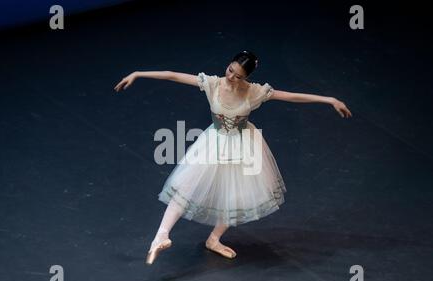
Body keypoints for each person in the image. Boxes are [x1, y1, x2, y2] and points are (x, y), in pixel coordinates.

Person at [114, 50, 352, 265]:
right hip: (213, 143)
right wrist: (138, 73)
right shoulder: (213, 84)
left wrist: (329, 100)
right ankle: (160, 236)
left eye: (238, 76)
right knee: (186, 186)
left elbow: (291, 96)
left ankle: (214, 239)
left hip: (242, 146)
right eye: (230, 70)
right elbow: (172, 75)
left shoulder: (254, 92)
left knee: (235, 196)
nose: (231, 77)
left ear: (246, 77)